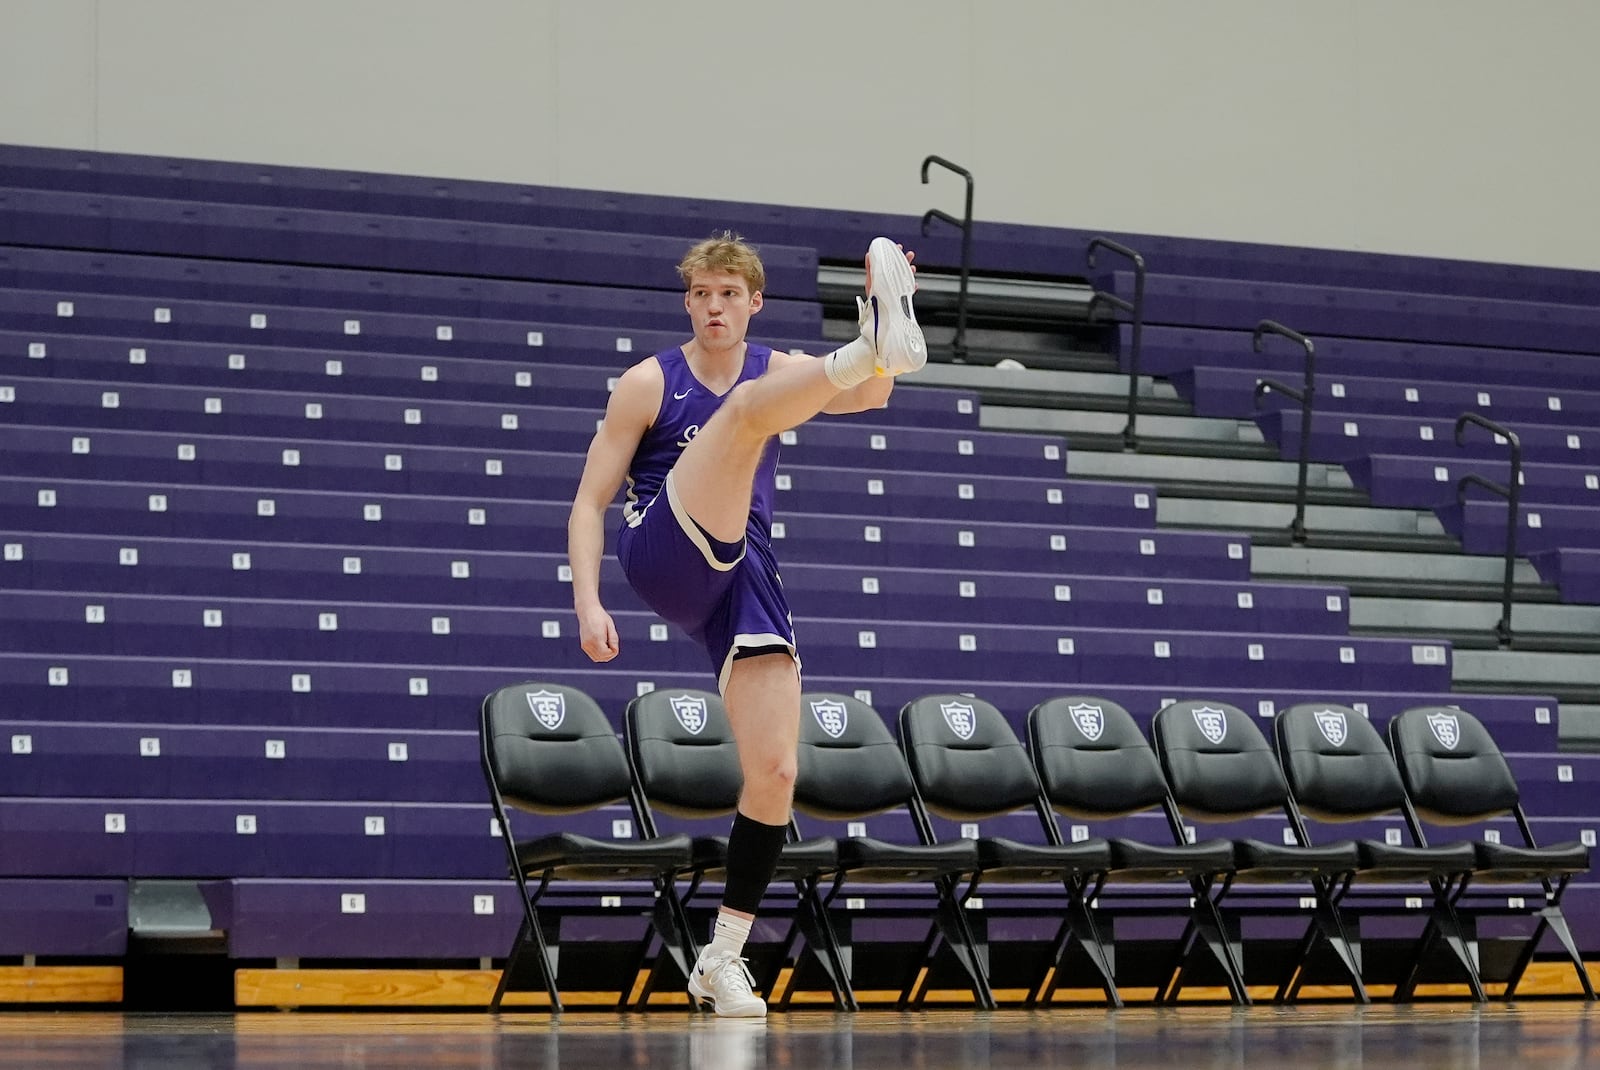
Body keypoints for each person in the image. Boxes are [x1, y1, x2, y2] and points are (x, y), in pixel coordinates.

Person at [567, 232, 925, 1017]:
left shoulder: (775, 368)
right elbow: (591, 501)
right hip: (663, 546)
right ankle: (866, 338)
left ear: (753, 302)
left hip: (742, 572)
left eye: (730, 293)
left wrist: (887, 346)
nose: (714, 306)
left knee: (774, 774)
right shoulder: (645, 383)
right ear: (688, 302)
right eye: (702, 294)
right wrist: (588, 601)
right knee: (744, 419)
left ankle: (720, 956)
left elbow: (873, 397)